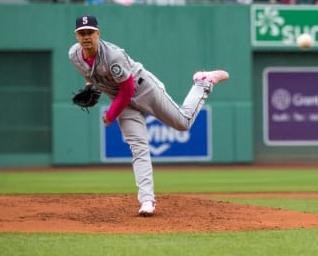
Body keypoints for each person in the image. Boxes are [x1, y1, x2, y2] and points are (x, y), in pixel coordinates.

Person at [68, 15, 229, 216]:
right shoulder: (74, 55)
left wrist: (110, 114)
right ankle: (147, 200)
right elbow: (90, 74)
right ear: (76, 36)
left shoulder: (113, 56)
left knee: (183, 123)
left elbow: (127, 90)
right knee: (139, 148)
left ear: (98, 34)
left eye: (90, 32)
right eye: (82, 33)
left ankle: (203, 82)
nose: (86, 37)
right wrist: (89, 86)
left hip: (144, 90)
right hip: (123, 103)